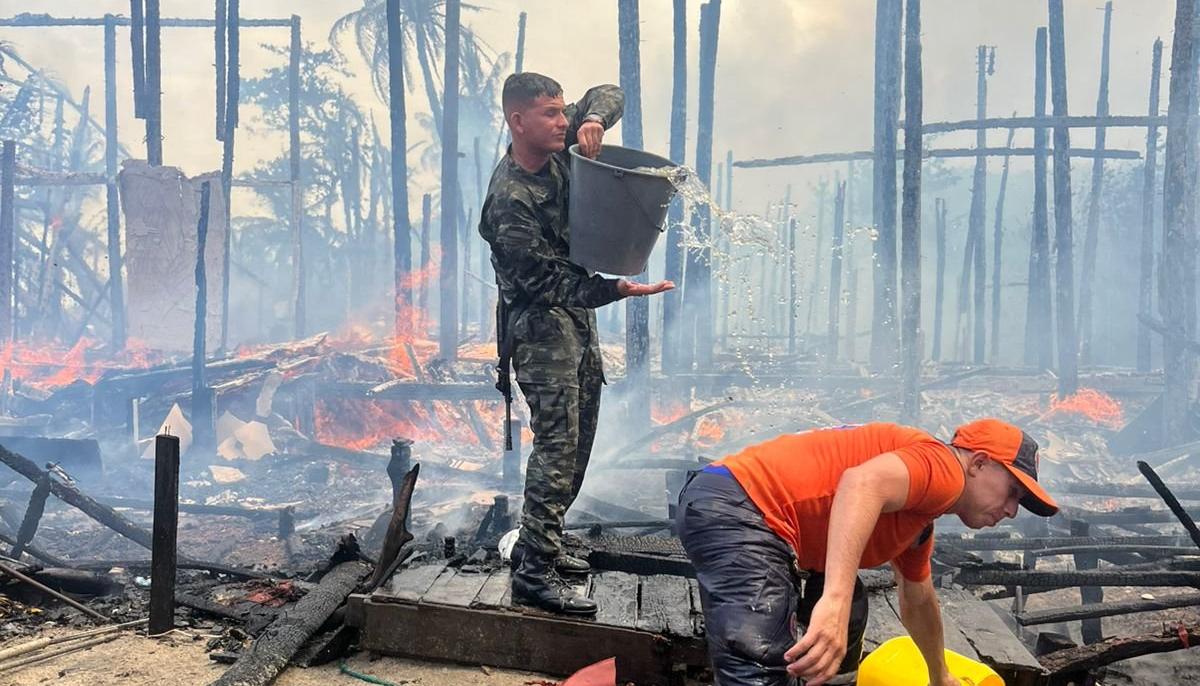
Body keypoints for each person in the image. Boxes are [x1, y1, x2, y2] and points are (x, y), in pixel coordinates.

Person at [479, 72, 674, 616]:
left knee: (582, 436)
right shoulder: (509, 199)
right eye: (550, 114)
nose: (562, 122)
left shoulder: (565, 139)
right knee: (557, 446)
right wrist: (617, 289)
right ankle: (533, 574)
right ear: (518, 121)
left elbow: (612, 92)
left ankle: (549, 540)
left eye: (565, 112)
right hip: (540, 330)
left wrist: (593, 119)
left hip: (575, 322)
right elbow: (544, 284)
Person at [676, 419, 1059, 685]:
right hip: (739, 506)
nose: (1011, 510)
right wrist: (834, 601)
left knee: (851, 607)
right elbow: (860, 484)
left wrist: (939, 674)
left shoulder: (920, 520)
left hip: (738, 505)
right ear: (978, 462)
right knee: (758, 658)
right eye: (1012, 492)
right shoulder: (944, 469)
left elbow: (918, 599)